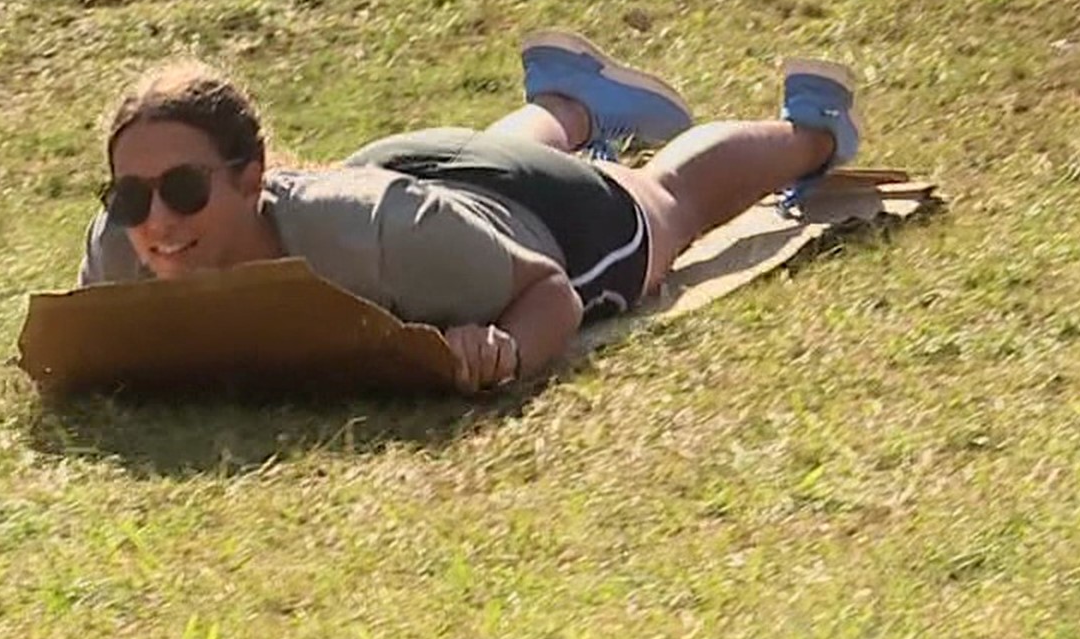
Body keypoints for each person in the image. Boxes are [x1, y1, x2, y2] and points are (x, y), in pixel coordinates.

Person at [78, 31, 863, 394]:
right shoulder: (123, 250)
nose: (157, 220)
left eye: (183, 189)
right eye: (131, 194)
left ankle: (812, 129)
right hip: (414, 176)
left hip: (530, 212)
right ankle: (571, 100)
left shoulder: (375, 238)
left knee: (667, 200)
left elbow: (550, 290)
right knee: (466, 193)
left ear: (251, 179)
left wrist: (507, 351)